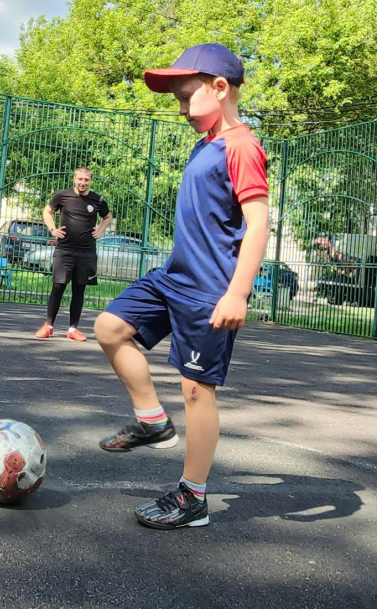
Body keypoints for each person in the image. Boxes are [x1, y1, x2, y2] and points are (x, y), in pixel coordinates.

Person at [93, 44, 269, 529]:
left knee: (197, 391)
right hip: (173, 279)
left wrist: (237, 293)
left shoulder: (242, 146)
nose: (180, 108)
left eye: (186, 96)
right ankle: (152, 420)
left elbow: (258, 224)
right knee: (109, 327)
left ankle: (193, 497)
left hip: (211, 290)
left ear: (219, 88)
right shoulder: (207, 143)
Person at [35, 167, 111, 341]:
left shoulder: (97, 199)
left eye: (86, 180)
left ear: (90, 180)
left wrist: (100, 231)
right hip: (64, 250)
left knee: (79, 289)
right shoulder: (63, 195)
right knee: (58, 286)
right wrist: (53, 230)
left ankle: (73, 329)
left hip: (86, 252)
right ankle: (48, 325)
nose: (83, 183)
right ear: (74, 179)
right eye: (80, 179)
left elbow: (107, 217)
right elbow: (47, 211)